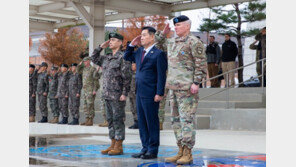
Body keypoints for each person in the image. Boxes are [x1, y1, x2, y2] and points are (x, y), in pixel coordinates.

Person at [155, 15, 207, 165]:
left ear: (187, 26)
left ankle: (188, 152)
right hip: (173, 88)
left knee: (186, 120)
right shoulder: (172, 42)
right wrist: (162, 33)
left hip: (187, 89)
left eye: (178, 25)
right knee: (175, 121)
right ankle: (180, 150)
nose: (175, 27)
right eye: (175, 26)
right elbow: (158, 45)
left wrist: (196, 82)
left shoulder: (194, 42)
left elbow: (201, 64)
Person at [124, 26, 167, 159]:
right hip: (139, 92)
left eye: (144, 35)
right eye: (141, 35)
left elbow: (161, 75)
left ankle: (152, 150)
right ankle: (145, 148)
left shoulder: (159, 54)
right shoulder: (139, 51)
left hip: (151, 93)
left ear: (152, 37)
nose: (141, 37)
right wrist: (132, 44)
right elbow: (127, 56)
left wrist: (159, 92)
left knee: (151, 122)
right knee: (142, 122)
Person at [91, 32, 132, 155]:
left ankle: (119, 146)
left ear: (120, 42)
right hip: (107, 94)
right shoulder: (106, 58)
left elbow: (127, 77)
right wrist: (100, 47)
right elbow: (93, 58)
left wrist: (124, 93)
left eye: (113, 40)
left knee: (118, 119)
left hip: (118, 95)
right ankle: (112, 143)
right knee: (110, 119)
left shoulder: (123, 57)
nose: (111, 42)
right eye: (110, 40)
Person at [78, 57, 100, 126]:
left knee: (90, 104)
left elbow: (95, 80)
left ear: (89, 61)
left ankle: (91, 119)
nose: (84, 62)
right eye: (83, 61)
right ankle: (87, 119)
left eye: (85, 61)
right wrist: (79, 65)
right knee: (85, 105)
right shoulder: (84, 69)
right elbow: (78, 71)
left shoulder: (92, 69)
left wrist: (94, 90)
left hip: (90, 90)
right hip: (85, 90)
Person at [128, 62, 139, 129]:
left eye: (133, 65)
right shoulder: (130, 74)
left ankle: (139, 122)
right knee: (132, 108)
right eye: (131, 65)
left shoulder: (138, 74)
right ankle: (135, 122)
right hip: (131, 94)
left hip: (136, 94)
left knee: (136, 108)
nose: (132, 66)